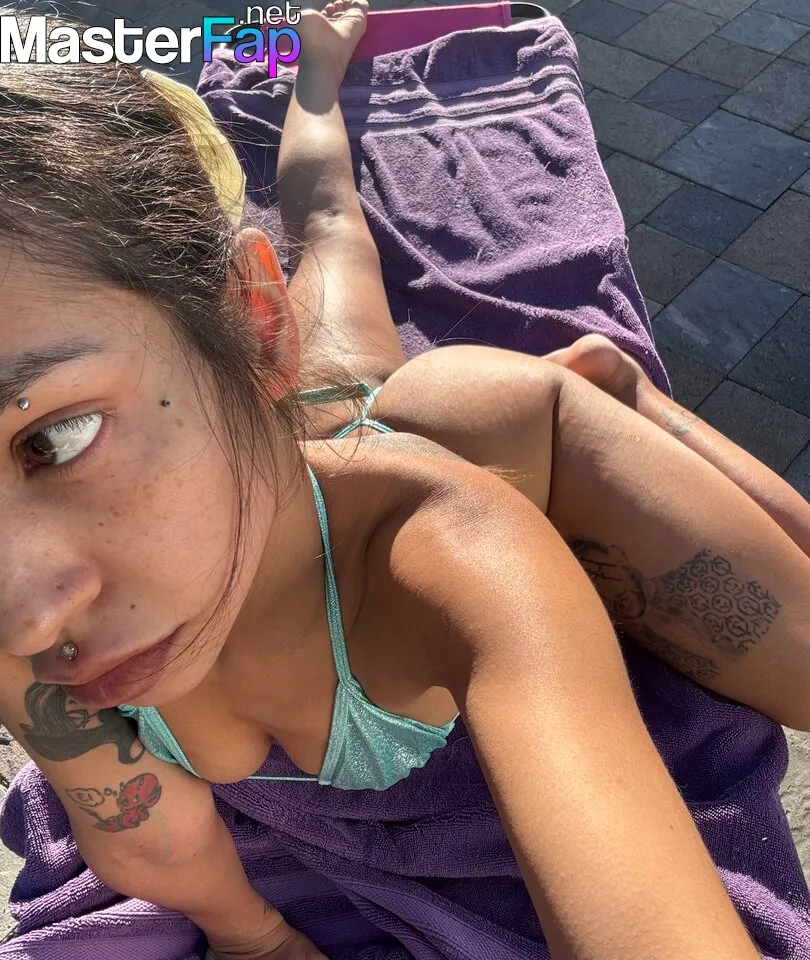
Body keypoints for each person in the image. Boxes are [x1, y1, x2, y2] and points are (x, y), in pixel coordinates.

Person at [0, 4, 807, 960]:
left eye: (58, 437)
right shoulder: (35, 612)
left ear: (258, 325)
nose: (26, 623)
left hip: (431, 414)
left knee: (334, 229)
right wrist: (262, 943)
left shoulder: (446, 549)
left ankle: (600, 382)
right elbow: (144, 833)